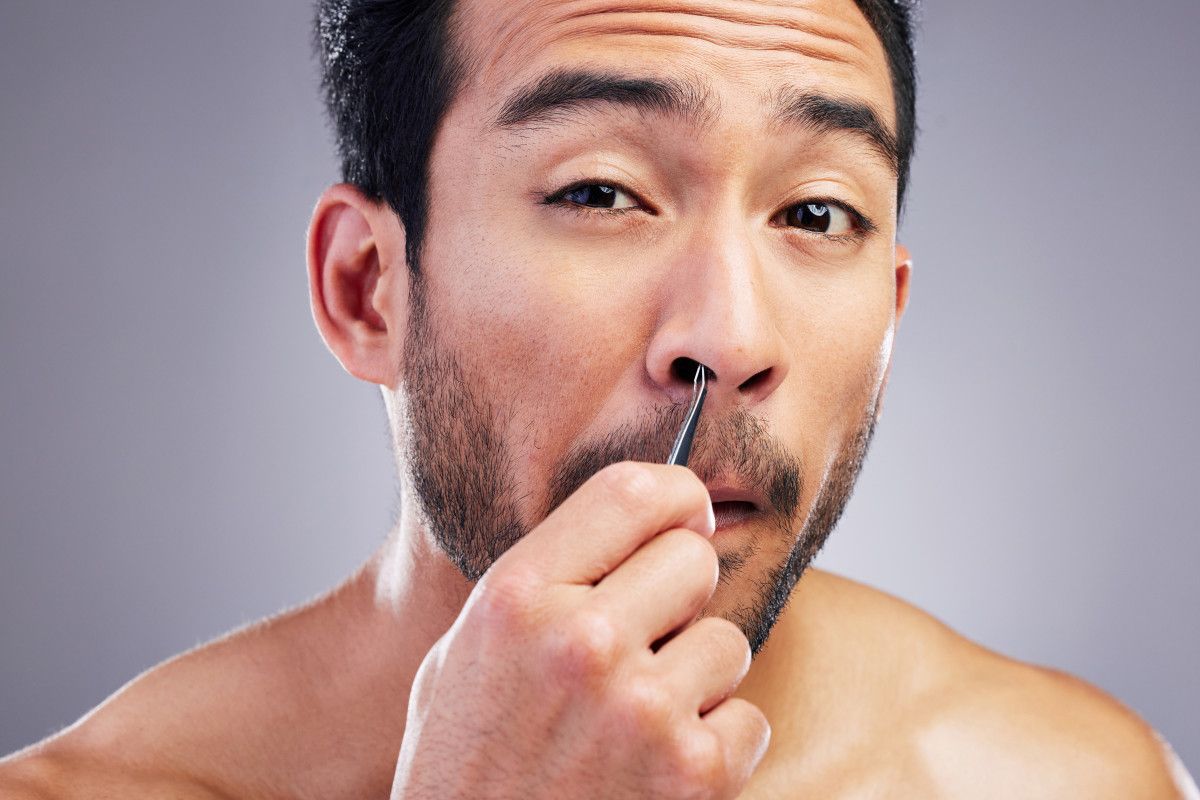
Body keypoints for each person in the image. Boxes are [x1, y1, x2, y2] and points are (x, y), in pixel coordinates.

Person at [1, 0, 1195, 797]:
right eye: (600, 193)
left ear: (890, 310)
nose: (731, 337)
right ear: (369, 290)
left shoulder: (1066, 778)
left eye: (815, 211)